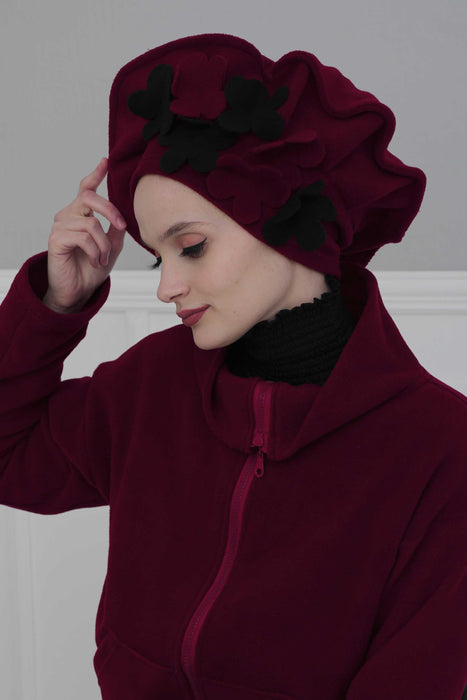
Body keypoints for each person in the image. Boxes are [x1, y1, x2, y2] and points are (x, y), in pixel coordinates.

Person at [1, 32, 466, 700]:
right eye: (158, 259)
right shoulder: (151, 385)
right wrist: (55, 302)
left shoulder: (438, 448)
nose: (167, 288)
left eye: (190, 246)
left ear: (283, 221)